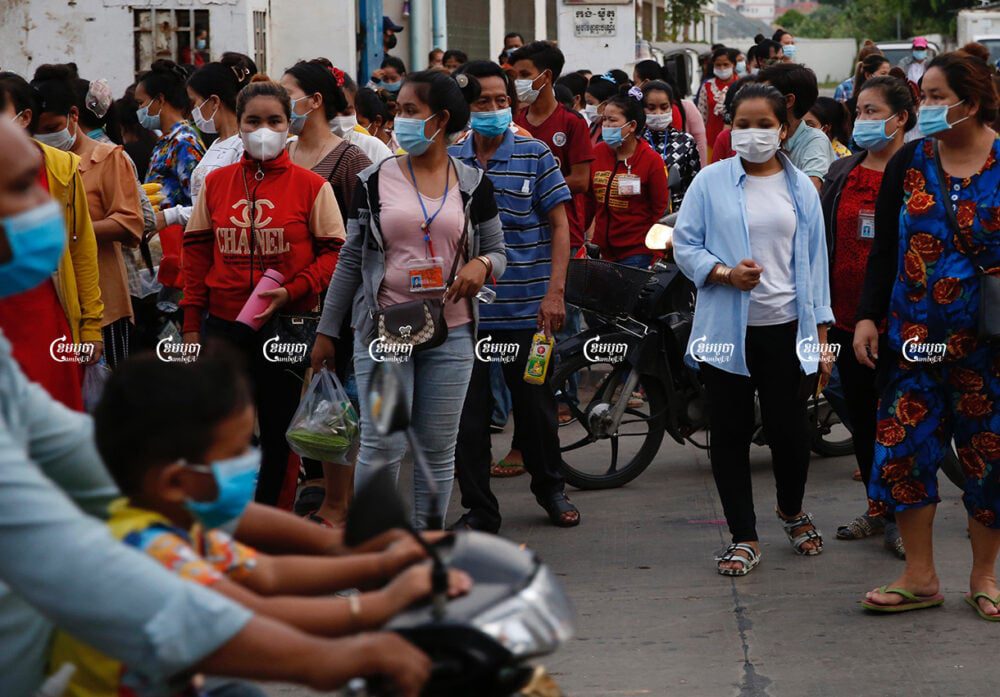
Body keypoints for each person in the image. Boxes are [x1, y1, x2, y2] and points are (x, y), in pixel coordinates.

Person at [0, 116, 431, 697]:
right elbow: (209, 617)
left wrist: (362, 556)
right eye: (23, 187)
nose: (49, 208)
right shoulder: (142, 543)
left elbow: (89, 457)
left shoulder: (161, 507)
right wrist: (357, 632)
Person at [50, 351, 470, 697]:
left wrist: (380, 560)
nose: (246, 465)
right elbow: (257, 614)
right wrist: (379, 607)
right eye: (233, 454)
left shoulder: (167, 520)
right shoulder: (146, 552)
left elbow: (266, 571)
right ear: (175, 481)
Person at [310, 70, 506, 529]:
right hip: (383, 330)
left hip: (452, 332)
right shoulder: (373, 180)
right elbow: (350, 260)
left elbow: (498, 251)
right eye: (398, 110)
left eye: (411, 111)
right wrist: (326, 331)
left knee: (437, 450)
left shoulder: (474, 185)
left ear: (440, 120)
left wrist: (483, 266)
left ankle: (425, 550)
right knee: (382, 445)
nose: (400, 120)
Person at [854, 44, 1000, 617]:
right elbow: (886, 248)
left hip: (989, 350)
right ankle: (919, 576)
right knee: (905, 452)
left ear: (973, 100)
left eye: (939, 97)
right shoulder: (909, 162)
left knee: (990, 459)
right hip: (912, 342)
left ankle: (985, 575)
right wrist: (867, 315)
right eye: (925, 96)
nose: (929, 107)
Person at [673, 83, 833, 576]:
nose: (754, 134)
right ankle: (743, 535)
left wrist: (821, 338)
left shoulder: (800, 187)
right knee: (730, 432)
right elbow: (686, 244)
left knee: (790, 431)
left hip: (787, 327)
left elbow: (814, 262)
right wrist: (724, 274)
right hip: (726, 329)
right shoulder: (710, 182)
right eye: (743, 124)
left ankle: (791, 508)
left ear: (784, 129)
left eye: (765, 124)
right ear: (729, 129)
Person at [181, 78, 346, 506]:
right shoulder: (215, 185)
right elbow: (195, 257)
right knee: (220, 427)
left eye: (274, 120)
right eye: (253, 121)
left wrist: (294, 290)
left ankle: (273, 518)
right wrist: (191, 327)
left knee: (278, 429)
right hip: (223, 325)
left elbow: (334, 254)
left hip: (288, 327)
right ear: (239, 126)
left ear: (288, 124)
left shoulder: (312, 187)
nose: (263, 130)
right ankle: (224, 515)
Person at [448, 60, 579, 531]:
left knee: (537, 412)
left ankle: (551, 490)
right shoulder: (448, 156)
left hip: (528, 313)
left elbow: (560, 226)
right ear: (463, 107)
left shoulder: (535, 152)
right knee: (469, 420)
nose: (495, 109)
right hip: (466, 318)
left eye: (502, 100)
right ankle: (479, 508)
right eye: (483, 101)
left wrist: (555, 294)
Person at [819, 76, 915, 559]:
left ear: (901, 119)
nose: (862, 120)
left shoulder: (920, 171)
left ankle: (904, 517)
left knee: (899, 420)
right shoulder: (842, 171)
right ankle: (877, 508)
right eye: (859, 109)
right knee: (860, 417)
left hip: (901, 319)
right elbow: (820, 243)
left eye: (873, 111)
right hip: (844, 317)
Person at [281, 60, 372, 526]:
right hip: (277, 307)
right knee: (296, 405)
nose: (282, 103)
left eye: (288, 93)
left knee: (336, 404)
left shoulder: (351, 160)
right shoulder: (280, 155)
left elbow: (359, 246)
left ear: (314, 101)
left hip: (332, 306)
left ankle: (340, 503)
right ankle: (308, 489)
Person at [0, 73, 103, 409]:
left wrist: (91, 328)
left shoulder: (59, 168)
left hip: (50, 317)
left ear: (23, 117)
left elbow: (81, 251)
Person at [32, 65, 145, 370]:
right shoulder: (34, 165)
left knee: (104, 396)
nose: (44, 137)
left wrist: (74, 230)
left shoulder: (108, 158)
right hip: (55, 303)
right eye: (37, 131)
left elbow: (131, 223)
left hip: (104, 304)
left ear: (74, 115)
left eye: (52, 127)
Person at [510, 41, 594, 256]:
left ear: (546, 77)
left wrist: (530, 188)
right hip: (521, 233)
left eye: (525, 74)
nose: (518, 82)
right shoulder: (514, 121)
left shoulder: (572, 122)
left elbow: (581, 180)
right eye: (515, 76)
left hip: (565, 232)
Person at [590, 88, 670, 267]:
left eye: (612, 120)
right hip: (601, 251)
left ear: (632, 126)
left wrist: (656, 253)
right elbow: (587, 202)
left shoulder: (652, 161)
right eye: (604, 120)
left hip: (638, 252)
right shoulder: (597, 153)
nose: (606, 126)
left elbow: (660, 211)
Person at [136, 60, 205, 219]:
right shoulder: (166, 141)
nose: (139, 110)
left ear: (160, 100)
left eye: (141, 103)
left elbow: (198, 203)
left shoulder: (184, 143)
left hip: (176, 238)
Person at [758, 62, 833, 190]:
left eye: (765, 95)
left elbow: (810, 191)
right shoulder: (759, 134)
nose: (756, 101)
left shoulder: (815, 140)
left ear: (788, 100)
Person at [641, 79, 700, 210]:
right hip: (643, 214)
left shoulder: (685, 142)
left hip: (678, 214)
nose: (658, 113)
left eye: (664, 107)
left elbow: (695, 184)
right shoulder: (635, 141)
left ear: (671, 107)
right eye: (651, 108)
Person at [336, 69, 395, 163]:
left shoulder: (378, 150)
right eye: (330, 113)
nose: (338, 119)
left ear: (377, 121)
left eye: (347, 113)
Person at [697, 47, 739, 159]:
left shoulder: (741, 84)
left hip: (736, 139)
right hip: (710, 140)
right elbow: (702, 117)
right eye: (718, 65)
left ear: (733, 65)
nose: (722, 68)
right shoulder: (707, 86)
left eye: (726, 64)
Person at [356, 86, 399, 151]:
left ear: (377, 121)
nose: (354, 127)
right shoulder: (354, 148)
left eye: (359, 123)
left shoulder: (401, 150)